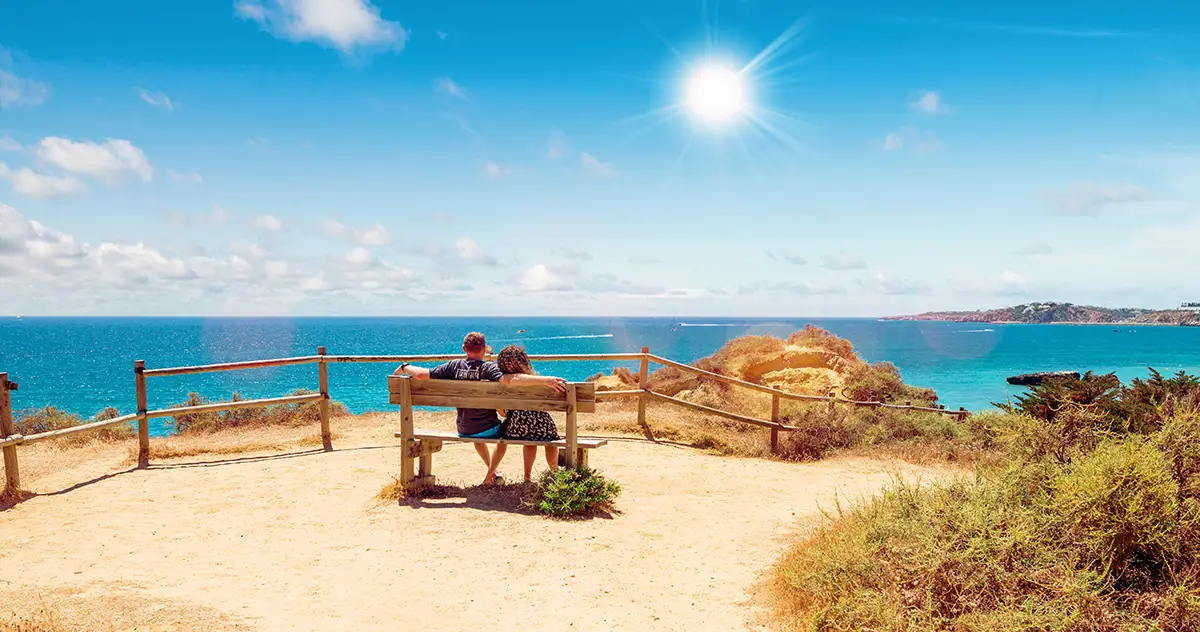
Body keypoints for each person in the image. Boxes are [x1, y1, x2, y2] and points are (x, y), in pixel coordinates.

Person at [394, 332, 508, 484]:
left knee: (476, 432)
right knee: (505, 437)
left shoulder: (453, 366)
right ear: (485, 349)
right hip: (489, 428)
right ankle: (489, 476)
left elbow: (421, 375)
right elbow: (506, 381)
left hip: (465, 428)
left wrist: (405, 367)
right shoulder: (489, 368)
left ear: (463, 348)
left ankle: (493, 472)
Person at [495, 344, 567, 482]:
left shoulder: (500, 380)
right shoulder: (535, 381)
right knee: (551, 439)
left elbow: (503, 413)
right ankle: (555, 472)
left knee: (529, 439)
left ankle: (527, 476)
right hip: (541, 427)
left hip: (514, 428)